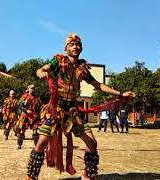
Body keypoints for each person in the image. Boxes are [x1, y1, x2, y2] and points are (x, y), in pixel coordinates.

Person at [27, 33, 135, 180]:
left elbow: (99, 85)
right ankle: (31, 177)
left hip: (72, 111)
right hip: (56, 109)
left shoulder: (82, 68)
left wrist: (120, 94)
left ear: (81, 48)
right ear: (66, 48)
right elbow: (42, 69)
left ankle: (88, 175)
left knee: (92, 142)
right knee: (41, 143)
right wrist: (41, 72)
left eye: (78, 44)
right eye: (71, 44)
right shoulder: (58, 61)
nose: (75, 47)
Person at [15, 85, 41, 149]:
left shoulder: (37, 98)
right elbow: (19, 105)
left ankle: (37, 146)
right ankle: (19, 144)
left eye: (34, 88)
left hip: (34, 116)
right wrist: (26, 110)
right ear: (28, 89)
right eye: (31, 88)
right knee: (22, 131)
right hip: (25, 115)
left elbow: (39, 107)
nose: (33, 90)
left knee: (35, 131)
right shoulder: (24, 97)